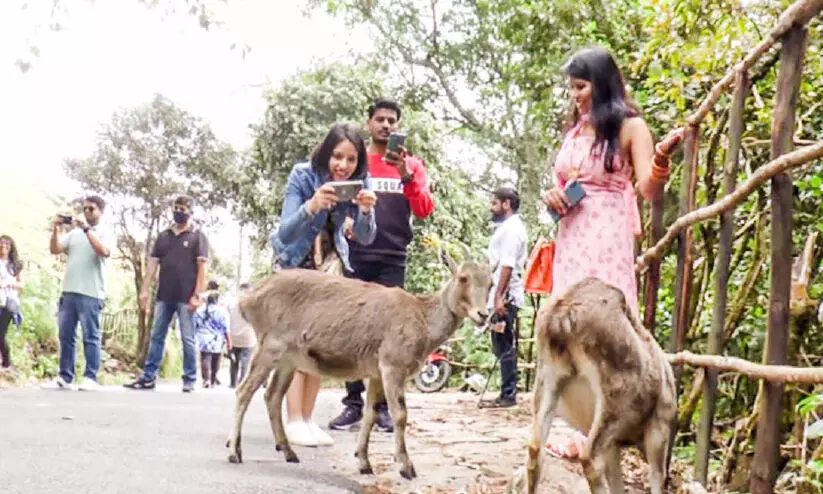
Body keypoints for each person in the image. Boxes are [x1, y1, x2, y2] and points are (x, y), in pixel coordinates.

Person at [541, 45, 684, 459]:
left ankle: (609, 421)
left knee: (604, 320)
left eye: (581, 87)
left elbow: (648, 189)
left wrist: (660, 160)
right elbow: (564, 181)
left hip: (607, 231)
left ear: (602, 85)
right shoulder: (575, 130)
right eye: (572, 88)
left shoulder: (630, 127)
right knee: (566, 321)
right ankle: (574, 423)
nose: (575, 96)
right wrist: (553, 196)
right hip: (571, 231)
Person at [329, 98, 435, 433]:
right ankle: (353, 404)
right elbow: (339, 200)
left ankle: (383, 407)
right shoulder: (357, 161)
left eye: (392, 120)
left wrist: (405, 174)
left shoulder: (412, 165)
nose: (386, 125)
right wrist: (345, 221)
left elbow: (424, 209)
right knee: (351, 330)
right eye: (380, 119)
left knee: (391, 335)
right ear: (369, 123)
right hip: (356, 255)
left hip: (393, 257)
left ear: (398, 125)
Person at [271, 122, 377, 447]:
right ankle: (292, 420)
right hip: (296, 264)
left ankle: (307, 418)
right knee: (296, 346)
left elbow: (365, 237)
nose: (343, 165)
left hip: (329, 269)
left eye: (351, 159)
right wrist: (312, 206)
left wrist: (366, 212)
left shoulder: (361, 182)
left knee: (321, 345)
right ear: (326, 154)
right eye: (337, 157)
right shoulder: (302, 175)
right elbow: (285, 233)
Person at [124, 195, 209, 393]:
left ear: (190, 211)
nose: (178, 212)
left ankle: (189, 378)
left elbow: (202, 268)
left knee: (187, 338)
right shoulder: (164, 236)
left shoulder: (197, 236)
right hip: (164, 295)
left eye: (182, 209)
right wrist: (144, 289)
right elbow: (153, 263)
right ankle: (148, 377)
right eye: (176, 208)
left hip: (186, 296)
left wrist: (197, 294)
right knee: (157, 336)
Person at [42, 196, 113, 391]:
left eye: (91, 209)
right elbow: (55, 249)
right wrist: (55, 228)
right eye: (85, 208)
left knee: (91, 336)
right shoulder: (74, 233)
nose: (87, 212)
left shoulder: (105, 232)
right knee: (66, 335)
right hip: (69, 291)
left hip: (91, 293)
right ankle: (65, 376)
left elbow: (103, 251)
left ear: (101, 212)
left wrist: (87, 230)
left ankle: (91, 376)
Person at [479, 187, 528, 409]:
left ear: (506, 204)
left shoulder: (512, 230)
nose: (491, 208)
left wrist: (499, 296)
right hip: (499, 294)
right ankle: (506, 392)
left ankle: (508, 394)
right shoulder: (506, 228)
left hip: (506, 297)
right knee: (500, 343)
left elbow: (508, 264)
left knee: (505, 344)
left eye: (494, 203)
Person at [193, 288, 231, 389]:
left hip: (204, 337)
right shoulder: (222, 312)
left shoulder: (199, 311)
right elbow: (226, 329)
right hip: (218, 338)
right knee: (216, 358)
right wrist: (229, 342)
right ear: (217, 300)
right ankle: (213, 380)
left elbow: (195, 326)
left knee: (205, 358)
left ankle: (206, 380)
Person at [0, 234, 24, 372]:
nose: (3, 246)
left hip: (9, 301)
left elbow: (22, 284)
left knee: (1, 332)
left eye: (7, 244)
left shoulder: (15, 265)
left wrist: (9, 283)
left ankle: (6, 362)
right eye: (1, 243)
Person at [227, 282, 255, 388]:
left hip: (233, 336)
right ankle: (242, 382)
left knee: (234, 360)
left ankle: (232, 383)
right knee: (245, 361)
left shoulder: (232, 303)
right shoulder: (251, 303)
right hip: (248, 337)